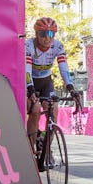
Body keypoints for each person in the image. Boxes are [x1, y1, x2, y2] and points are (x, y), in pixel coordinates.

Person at [25, 17, 74, 153]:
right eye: (43, 34)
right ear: (36, 35)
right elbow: (27, 70)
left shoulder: (57, 46)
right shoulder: (28, 45)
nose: (47, 38)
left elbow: (63, 69)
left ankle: (46, 146)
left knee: (53, 111)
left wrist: (70, 87)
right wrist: (30, 88)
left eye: (51, 34)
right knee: (35, 111)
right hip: (30, 81)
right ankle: (30, 150)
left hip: (46, 81)